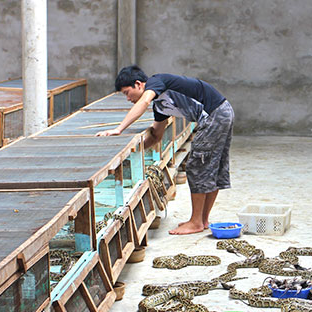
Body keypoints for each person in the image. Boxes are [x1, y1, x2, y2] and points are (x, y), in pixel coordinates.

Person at [97, 65, 234, 235]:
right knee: (211, 166)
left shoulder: (157, 81)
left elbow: (144, 101)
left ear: (139, 84)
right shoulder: (160, 106)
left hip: (215, 114)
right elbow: (156, 136)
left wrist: (119, 129)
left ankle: (196, 222)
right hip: (221, 113)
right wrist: (131, 152)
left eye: (127, 93)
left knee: (197, 167)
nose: (128, 99)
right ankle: (202, 220)